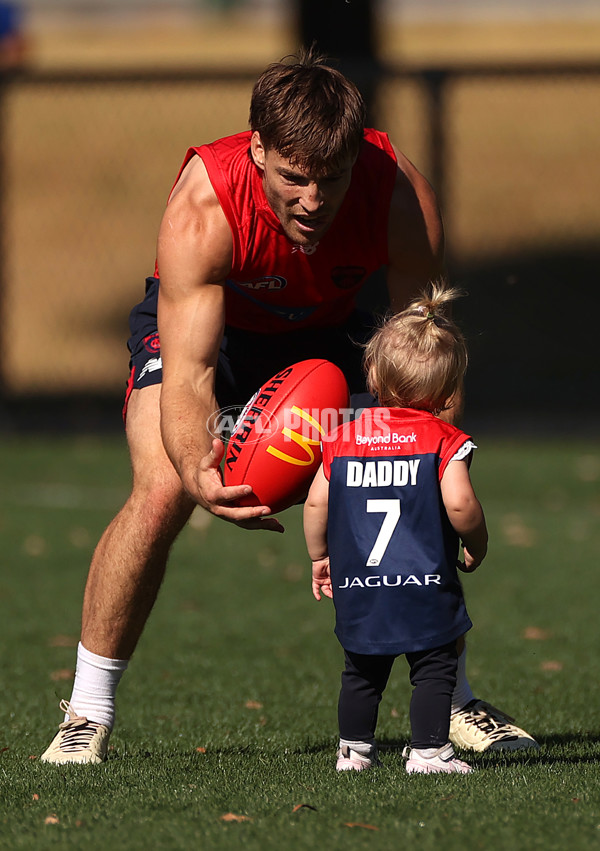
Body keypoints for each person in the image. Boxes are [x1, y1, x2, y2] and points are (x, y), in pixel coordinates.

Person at [40, 48, 537, 764]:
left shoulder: (396, 195)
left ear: (355, 162)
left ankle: (453, 698)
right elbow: (189, 373)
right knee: (160, 490)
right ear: (257, 149)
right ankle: (86, 712)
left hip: (322, 341)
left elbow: (427, 355)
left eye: (330, 180)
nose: (312, 199)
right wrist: (196, 463)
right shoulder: (206, 202)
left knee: (405, 474)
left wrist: (431, 462)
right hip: (207, 339)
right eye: (293, 178)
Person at [304, 283, 487, 774]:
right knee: (434, 667)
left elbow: (317, 500)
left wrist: (320, 557)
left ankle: (354, 750)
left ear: (373, 376)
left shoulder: (342, 437)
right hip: (425, 583)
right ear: (448, 392)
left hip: (360, 583)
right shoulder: (444, 437)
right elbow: (461, 503)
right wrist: (478, 543)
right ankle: (429, 751)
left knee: (360, 672)